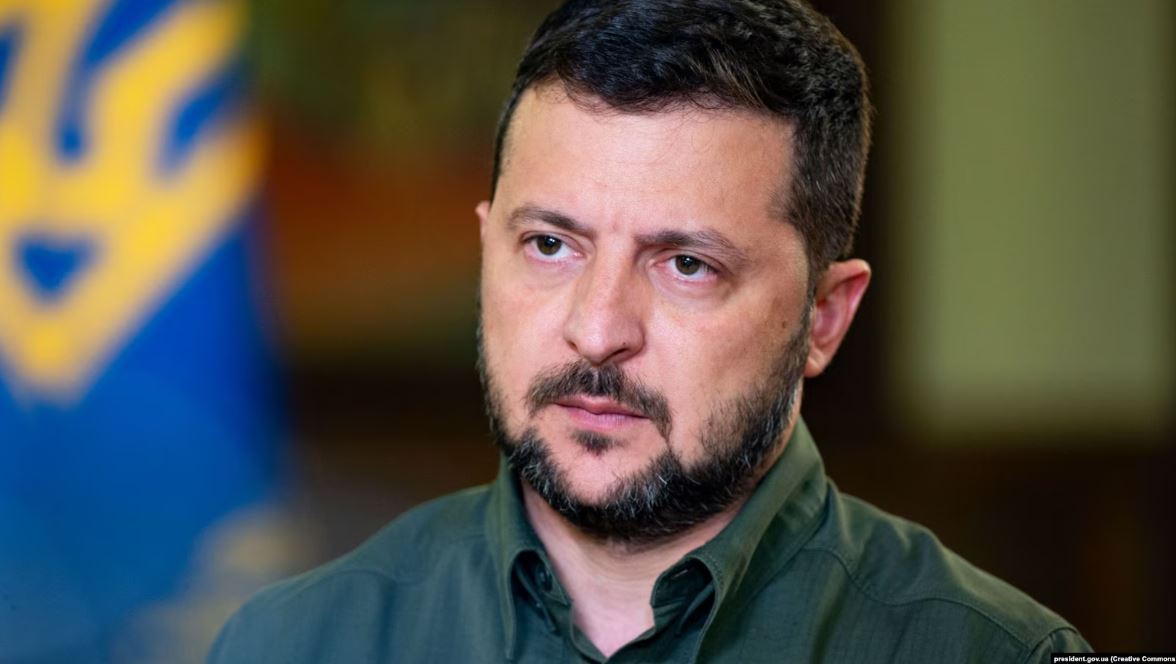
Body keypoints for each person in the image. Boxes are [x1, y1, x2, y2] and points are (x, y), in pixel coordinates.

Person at [210, 1, 1092, 661]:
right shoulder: (291, 644)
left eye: (686, 265)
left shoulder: (1004, 653)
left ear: (824, 318)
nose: (597, 332)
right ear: (487, 251)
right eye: (550, 245)